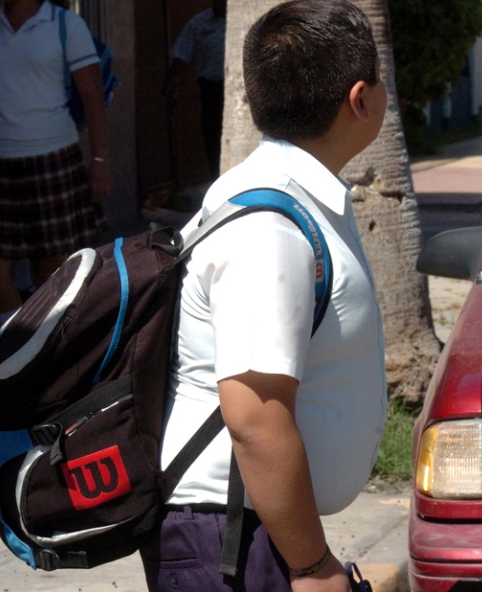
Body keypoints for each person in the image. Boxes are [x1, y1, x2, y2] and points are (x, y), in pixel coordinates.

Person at [140, 0, 388, 591]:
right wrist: (312, 567)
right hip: (229, 540)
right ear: (360, 98)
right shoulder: (268, 229)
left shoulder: (289, 196)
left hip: (251, 529)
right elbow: (254, 417)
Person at [0, 0, 110, 329]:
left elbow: (93, 96)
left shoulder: (65, 24)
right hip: (0, 162)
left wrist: (100, 160)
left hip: (52, 158)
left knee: (50, 266)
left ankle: (39, 346)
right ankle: (13, 339)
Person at [169, 0, 226, 180]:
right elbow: (181, 53)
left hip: (241, 89)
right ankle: (217, 178)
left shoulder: (243, 20)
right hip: (212, 90)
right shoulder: (199, 23)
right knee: (213, 136)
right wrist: (171, 79)